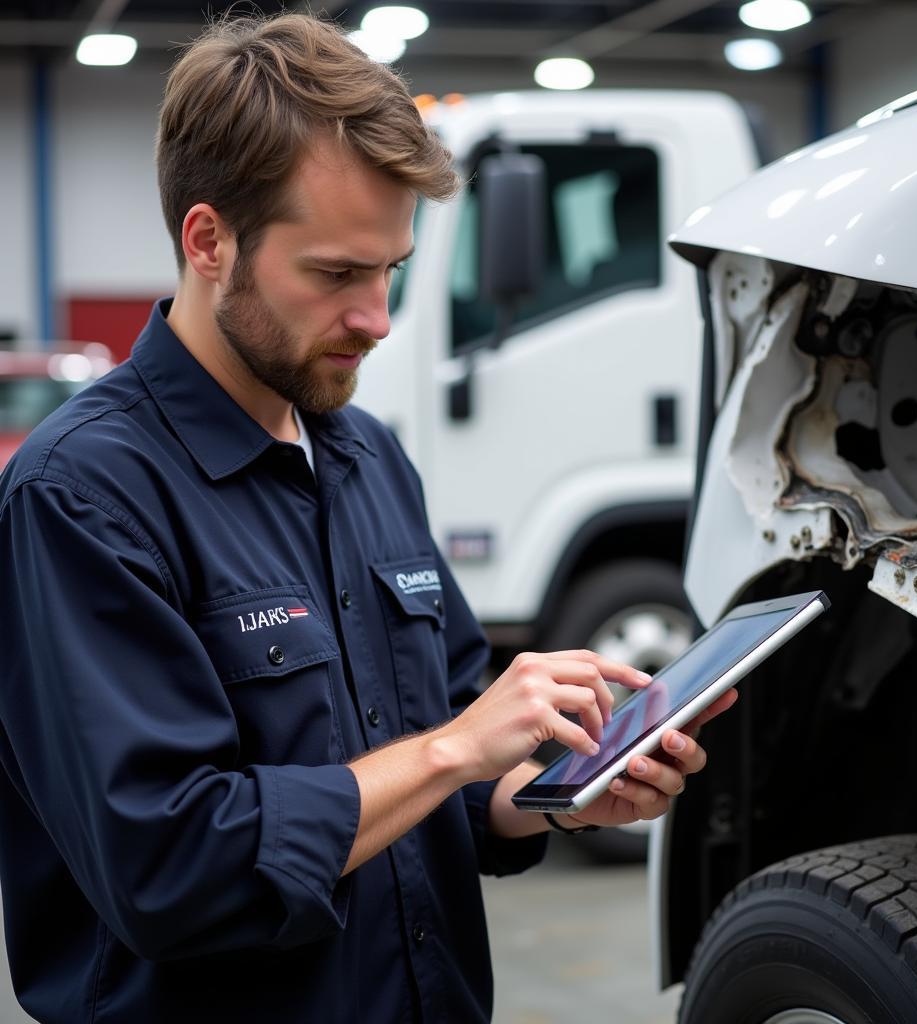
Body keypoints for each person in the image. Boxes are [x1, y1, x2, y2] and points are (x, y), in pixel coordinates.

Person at [0, 13, 736, 1024]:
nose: (378, 320)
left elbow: (446, 757)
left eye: (389, 270)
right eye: (336, 273)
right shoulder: (83, 497)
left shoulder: (365, 454)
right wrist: (454, 751)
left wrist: (546, 794)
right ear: (208, 240)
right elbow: (170, 868)